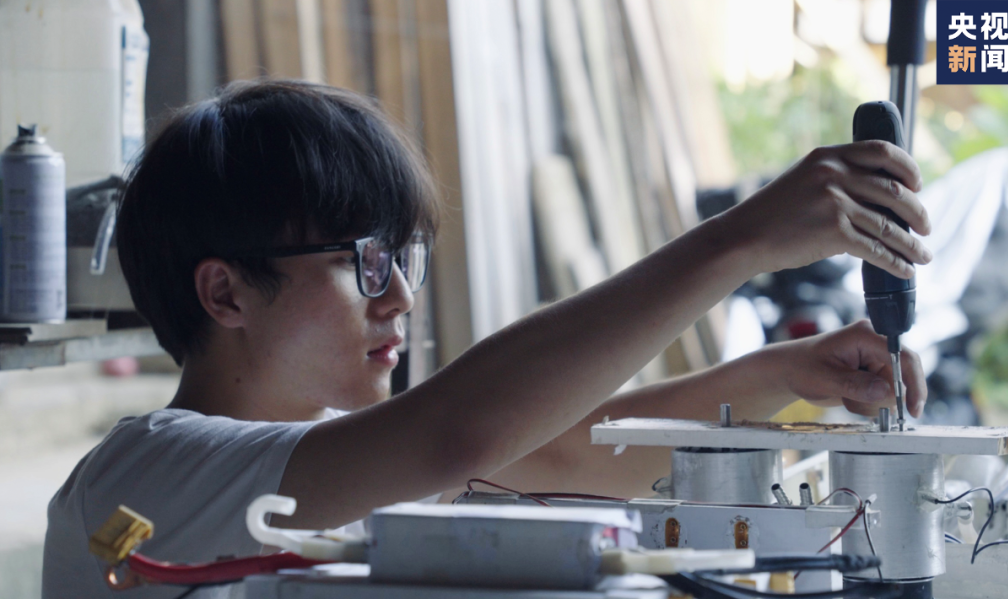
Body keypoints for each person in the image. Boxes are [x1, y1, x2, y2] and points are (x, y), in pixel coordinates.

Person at [43, 80, 930, 597]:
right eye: (363, 262)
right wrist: (740, 241)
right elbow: (459, 432)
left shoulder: (349, 466)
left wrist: (788, 372)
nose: (399, 297)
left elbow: (574, 451)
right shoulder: (142, 474)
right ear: (224, 291)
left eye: (404, 260)